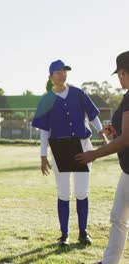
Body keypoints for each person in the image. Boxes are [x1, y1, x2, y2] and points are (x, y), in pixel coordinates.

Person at [32, 59, 106, 247]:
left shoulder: (78, 93)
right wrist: (42, 156)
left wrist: (101, 132)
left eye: (64, 71)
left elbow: (92, 115)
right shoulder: (46, 100)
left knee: (82, 191)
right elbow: (44, 130)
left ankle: (83, 232)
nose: (62, 74)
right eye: (58, 72)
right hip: (59, 148)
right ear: (50, 76)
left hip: (82, 145)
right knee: (64, 192)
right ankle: (64, 235)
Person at [76, 51, 129, 264]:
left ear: (125, 72)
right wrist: (113, 129)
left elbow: (127, 139)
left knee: (119, 218)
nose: (119, 78)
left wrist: (94, 154)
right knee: (118, 217)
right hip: (127, 171)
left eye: (120, 73)